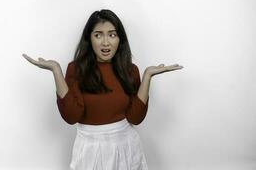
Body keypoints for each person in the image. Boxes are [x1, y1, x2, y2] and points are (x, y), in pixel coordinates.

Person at [22, 9, 183, 170]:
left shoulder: (130, 70)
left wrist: (147, 76)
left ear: (120, 39)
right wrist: (56, 70)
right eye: (98, 35)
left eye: (112, 35)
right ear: (89, 39)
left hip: (125, 146)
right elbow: (71, 116)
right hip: (89, 149)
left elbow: (136, 118)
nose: (106, 42)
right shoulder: (76, 69)